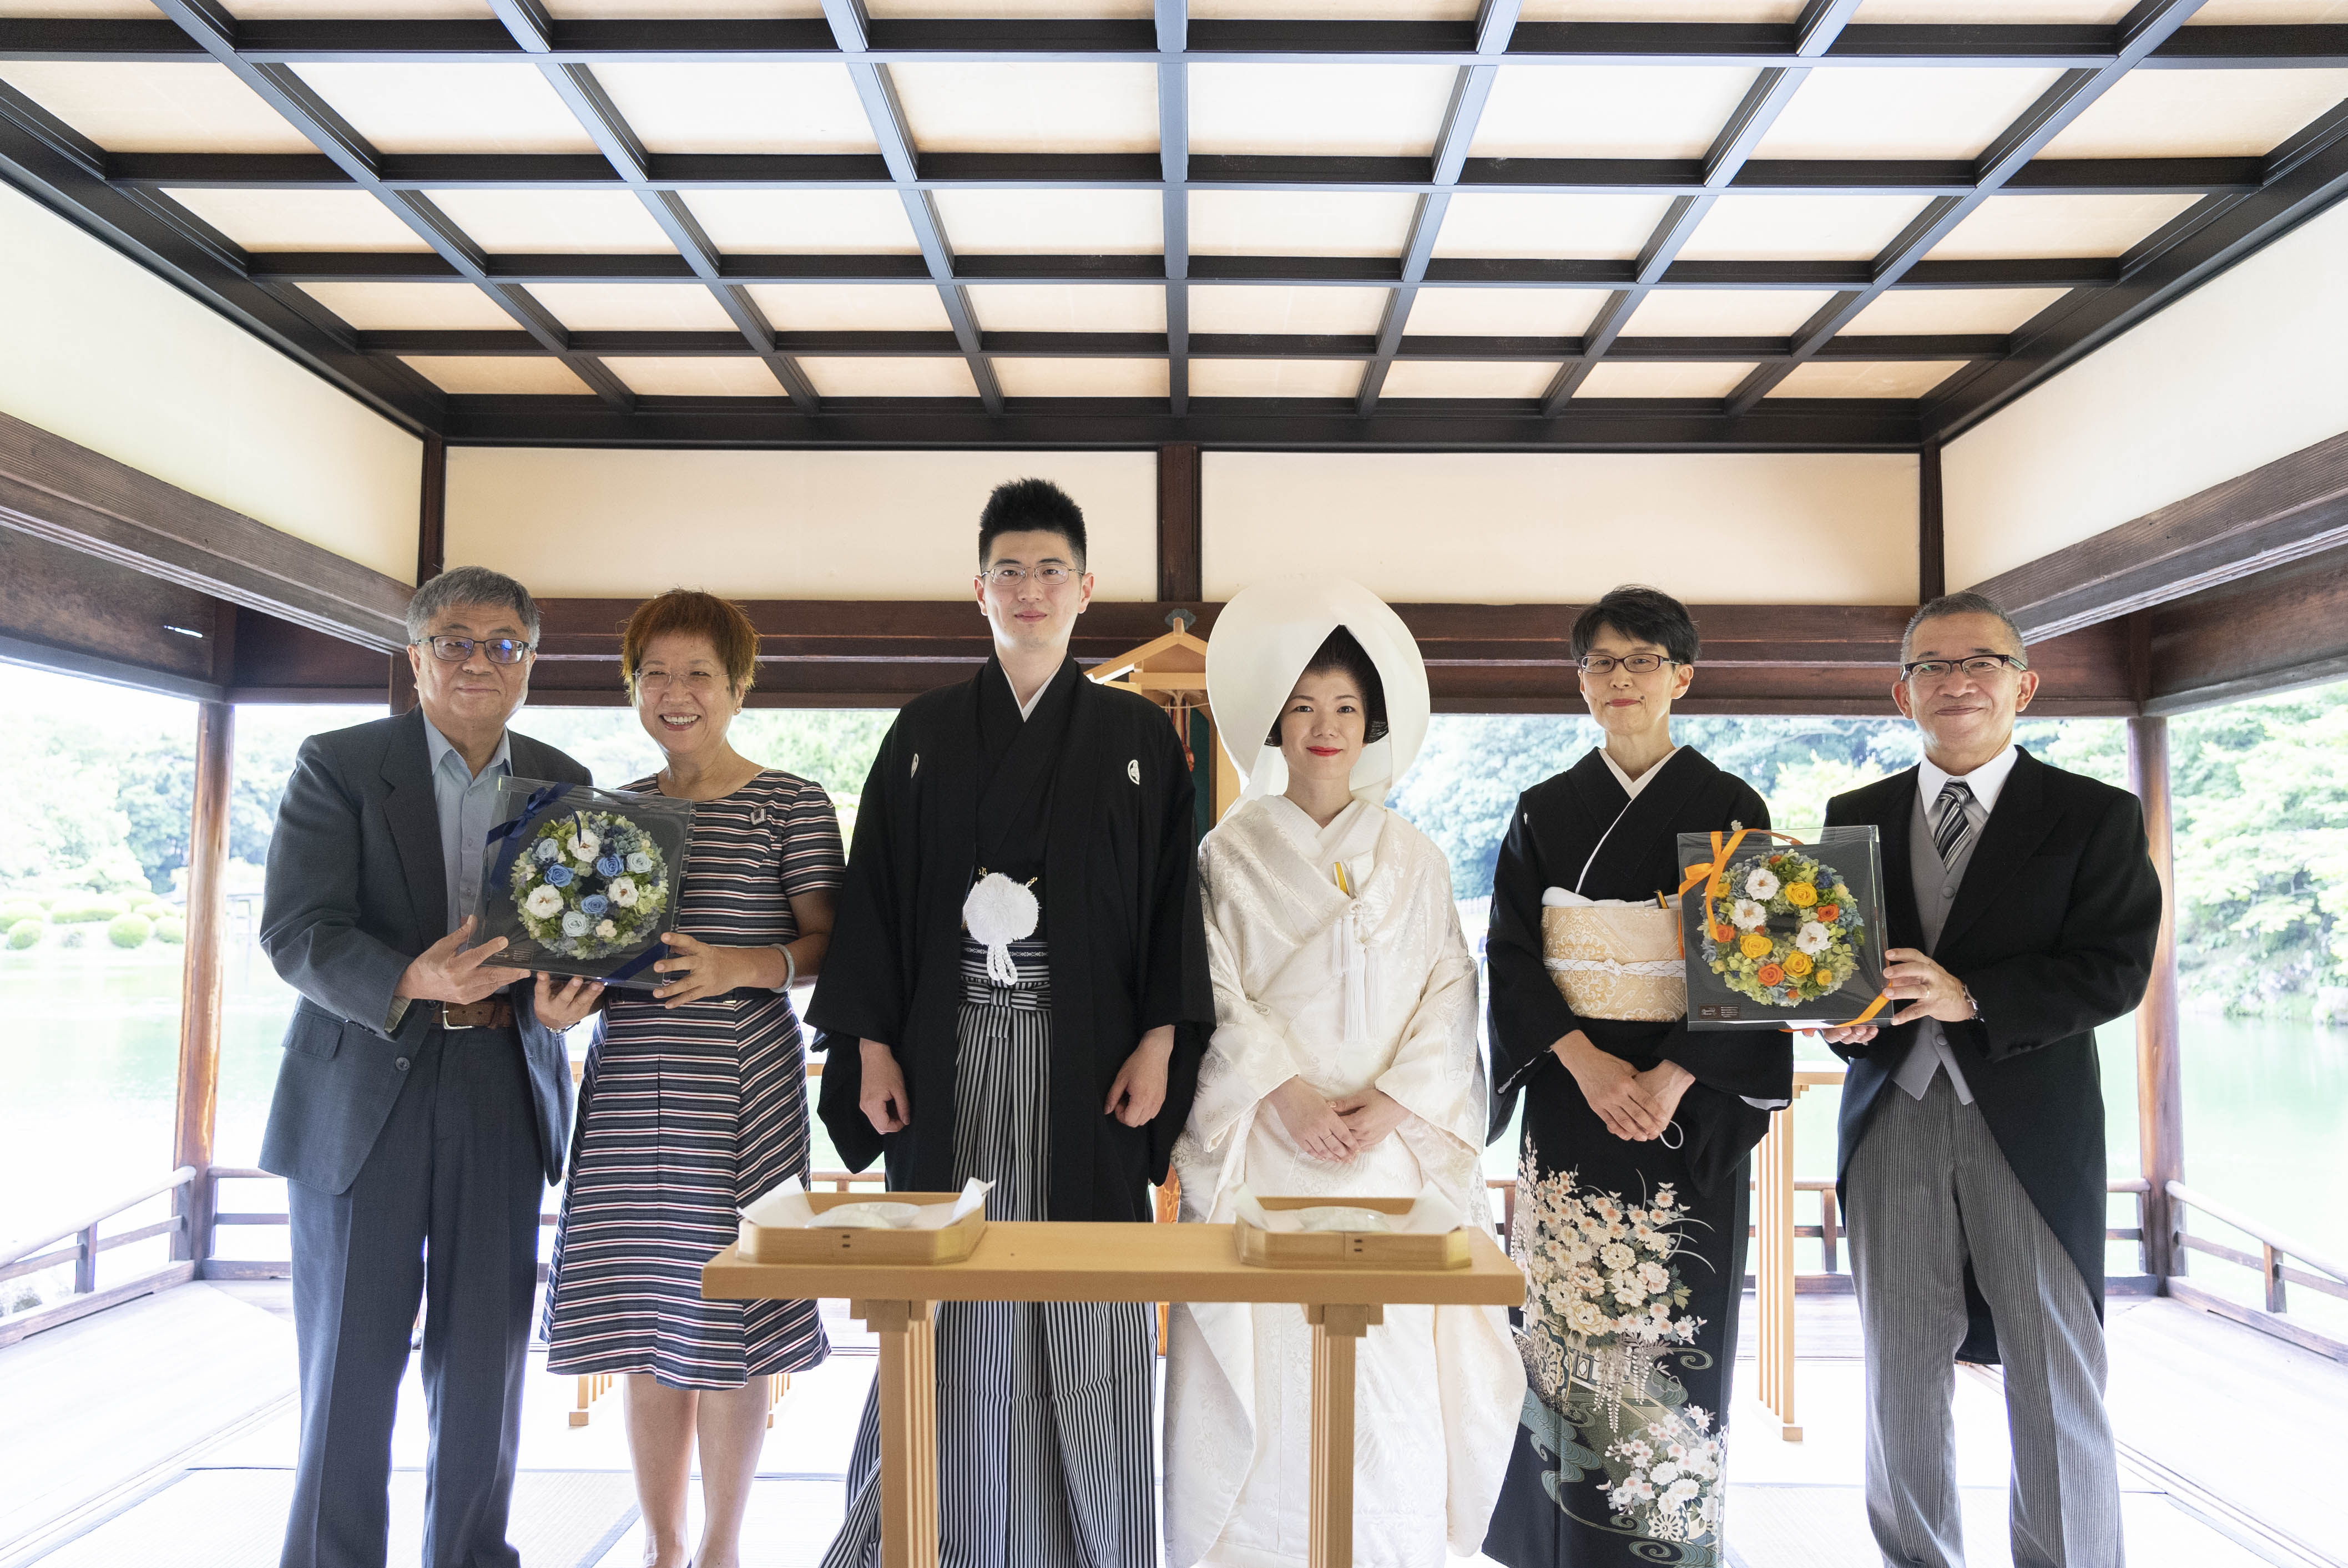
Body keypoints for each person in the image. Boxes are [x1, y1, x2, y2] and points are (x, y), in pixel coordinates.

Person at [808, 477, 1214, 1568]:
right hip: (946, 1056)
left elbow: (1176, 900)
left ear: (1087, 590)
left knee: (1085, 1301)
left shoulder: (1138, 738)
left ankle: (1092, 1543)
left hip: (1090, 1059)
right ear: (976, 589)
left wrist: (1162, 1038)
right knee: (952, 1294)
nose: (1029, 590)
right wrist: (873, 1044)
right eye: (1008, 571)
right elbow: (879, 891)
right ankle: (943, 1536)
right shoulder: (926, 733)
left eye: (1050, 571)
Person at [1163, 578, 1524, 1568]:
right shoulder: (1224, 853)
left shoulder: (1416, 856)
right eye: (1306, 705)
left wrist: (1395, 1102)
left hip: (1385, 1158)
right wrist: (1282, 1090)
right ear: (1277, 720)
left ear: (1373, 725)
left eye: (1347, 708)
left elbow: (1452, 991)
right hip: (1269, 1152)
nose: (1325, 727)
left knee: (1392, 1383)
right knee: (1267, 1380)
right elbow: (1214, 992)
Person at [259, 565, 607, 1568]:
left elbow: (572, 939)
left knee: (486, 1357)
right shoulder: (339, 763)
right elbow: (295, 932)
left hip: (504, 1081)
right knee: (349, 1362)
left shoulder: (564, 780)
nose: (477, 661)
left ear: (530, 664)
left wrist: (558, 1001)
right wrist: (410, 975)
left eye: (504, 643)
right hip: (362, 1088)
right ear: (415, 659)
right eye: (453, 639)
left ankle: (469, 1556)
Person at [1820, 591, 2159, 1568]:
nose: (1957, 680)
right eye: (1932, 666)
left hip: (2031, 1124)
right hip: (1892, 1116)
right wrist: (1845, 1020)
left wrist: (1975, 996)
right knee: (1899, 1370)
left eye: (1981, 661)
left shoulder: (2095, 815)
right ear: (1902, 693)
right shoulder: (1857, 816)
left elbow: (2115, 969)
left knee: (2056, 1367)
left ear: (2025, 682)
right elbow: (1845, 974)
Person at [1481, 585, 1790, 1568]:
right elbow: (1514, 959)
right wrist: (1583, 1060)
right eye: (1602, 662)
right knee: (1565, 1332)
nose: (1622, 678)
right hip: (1573, 1104)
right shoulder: (1542, 810)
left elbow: (1756, 962)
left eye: (1643, 660)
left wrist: (1671, 1078)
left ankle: (1668, 1546)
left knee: (1676, 1337)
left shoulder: (1734, 807)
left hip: (1684, 1111)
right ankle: (1562, 1546)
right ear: (1580, 682)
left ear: (1682, 677)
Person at [542, 589, 843, 1568]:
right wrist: (558, 1008)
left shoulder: (788, 801)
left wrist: (736, 966)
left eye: (699, 673)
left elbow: (833, 948)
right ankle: (663, 1548)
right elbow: (574, 952)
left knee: (729, 1319)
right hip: (627, 1085)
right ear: (631, 686)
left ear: (740, 686)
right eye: (655, 674)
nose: (677, 693)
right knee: (644, 1320)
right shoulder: (610, 814)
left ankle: (720, 1545)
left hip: (744, 1094)